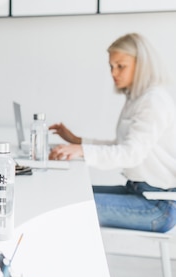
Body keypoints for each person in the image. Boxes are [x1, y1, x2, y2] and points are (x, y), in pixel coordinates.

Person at [49, 32, 176, 232]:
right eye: (111, 66)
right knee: (70, 194)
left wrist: (81, 151)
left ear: (141, 65)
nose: (113, 72)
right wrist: (77, 142)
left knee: (67, 207)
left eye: (120, 66)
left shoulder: (153, 101)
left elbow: (131, 155)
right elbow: (121, 146)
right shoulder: (137, 98)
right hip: (136, 191)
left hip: (157, 205)